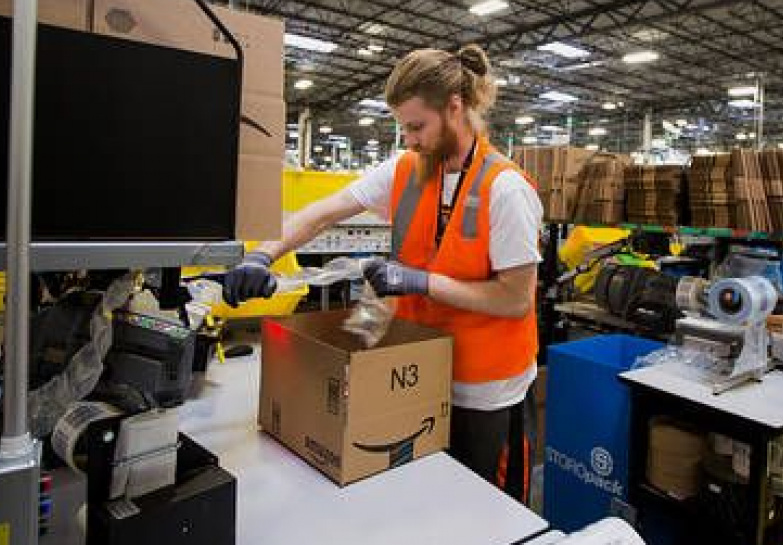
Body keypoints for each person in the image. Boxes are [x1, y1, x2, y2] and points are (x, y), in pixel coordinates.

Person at [222, 44, 543, 502]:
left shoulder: (506, 189)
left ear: (455, 108)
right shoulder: (406, 170)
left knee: (485, 510)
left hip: (486, 391)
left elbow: (516, 299)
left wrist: (420, 282)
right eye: (402, 128)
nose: (408, 140)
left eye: (416, 126)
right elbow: (324, 212)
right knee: (426, 504)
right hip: (418, 374)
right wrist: (262, 255)